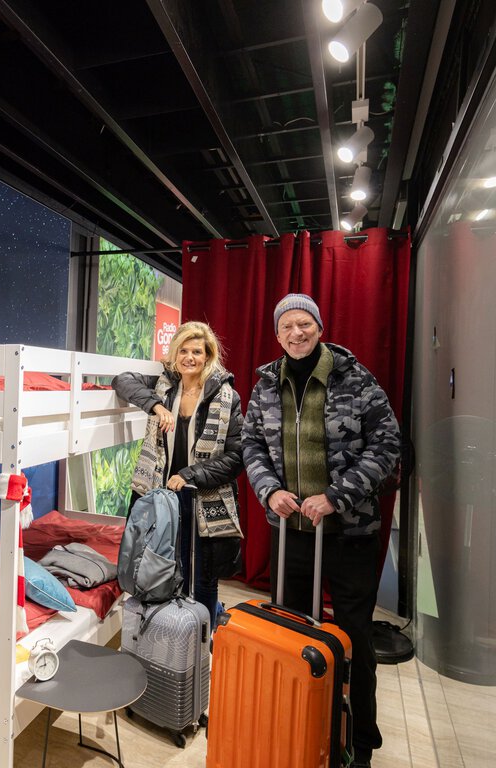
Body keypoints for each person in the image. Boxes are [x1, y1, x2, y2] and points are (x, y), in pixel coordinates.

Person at [240, 293, 400, 768]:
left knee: (355, 639)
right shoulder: (266, 384)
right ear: (277, 335)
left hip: (350, 533)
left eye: (304, 324)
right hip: (291, 532)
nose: (296, 333)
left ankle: (361, 743)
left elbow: (387, 444)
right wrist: (269, 490)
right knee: (289, 634)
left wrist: (335, 496)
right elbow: (251, 444)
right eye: (287, 326)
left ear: (319, 327)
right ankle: (295, 729)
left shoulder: (355, 377)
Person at [112, 320, 244, 629]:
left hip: (202, 497)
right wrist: (156, 407)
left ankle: (202, 639)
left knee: (203, 577)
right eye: (183, 351)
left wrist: (190, 474)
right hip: (161, 494)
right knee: (160, 569)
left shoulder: (227, 396)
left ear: (207, 355)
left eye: (196, 351)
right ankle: (168, 636)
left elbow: (236, 457)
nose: (189, 358)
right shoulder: (164, 386)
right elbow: (122, 380)